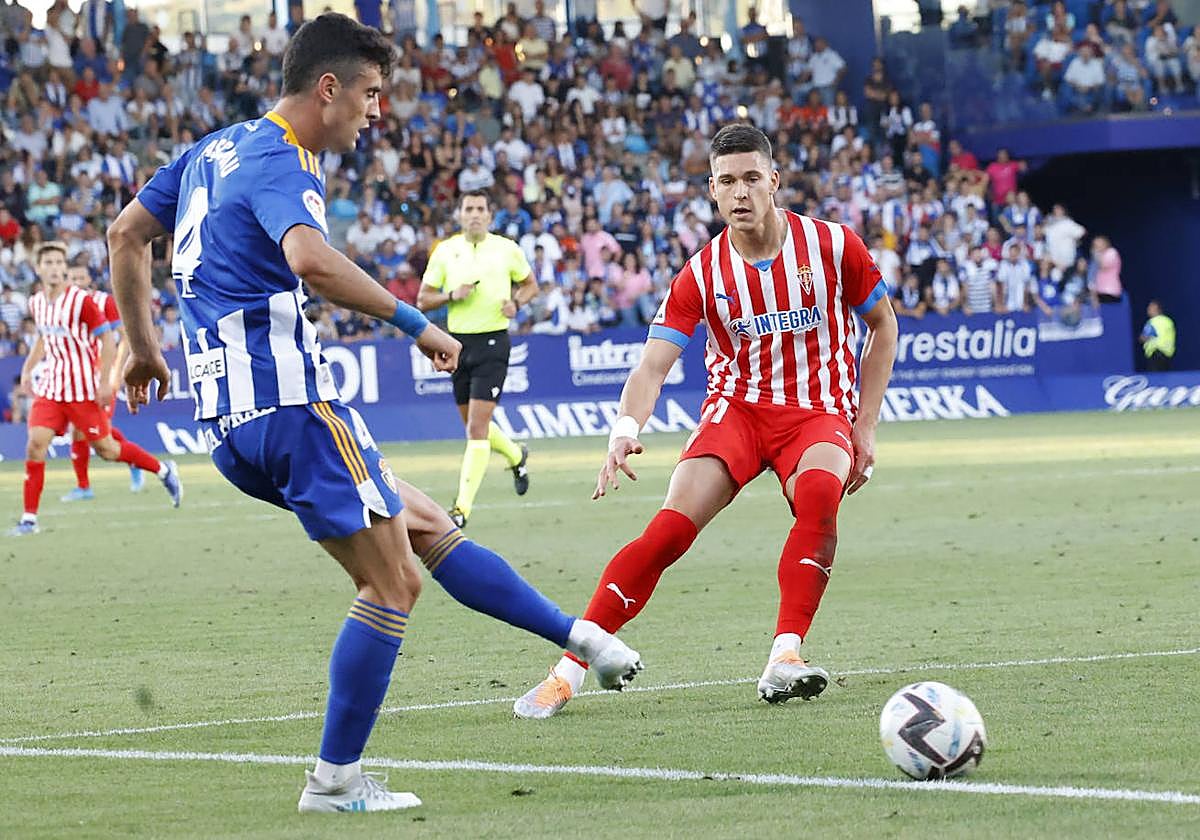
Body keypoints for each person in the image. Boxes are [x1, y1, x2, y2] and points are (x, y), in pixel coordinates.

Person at [106, 14, 642, 813]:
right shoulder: (283, 157)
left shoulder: (210, 150)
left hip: (228, 422)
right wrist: (419, 323)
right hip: (291, 403)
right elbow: (311, 260)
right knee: (391, 586)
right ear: (329, 88)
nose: (376, 111)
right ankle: (335, 781)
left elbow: (125, 233)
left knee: (422, 523)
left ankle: (583, 641)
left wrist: (144, 348)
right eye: (370, 92)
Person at [512, 124, 898, 719]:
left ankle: (785, 656)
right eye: (726, 182)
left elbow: (884, 326)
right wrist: (624, 430)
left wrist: (864, 426)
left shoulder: (832, 246)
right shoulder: (702, 274)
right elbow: (651, 367)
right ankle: (568, 670)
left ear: (774, 180)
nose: (740, 193)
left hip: (817, 412)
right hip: (737, 412)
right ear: (712, 193)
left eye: (751, 178)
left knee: (820, 492)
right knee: (668, 531)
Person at [10, 243, 181, 536]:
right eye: (48, 262)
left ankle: (163, 470)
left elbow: (109, 340)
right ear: (38, 268)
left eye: (58, 261)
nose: (54, 267)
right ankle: (29, 519)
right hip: (51, 388)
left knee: (108, 449)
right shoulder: (37, 302)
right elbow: (42, 338)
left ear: (64, 266)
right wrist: (28, 368)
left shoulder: (81, 302)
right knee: (35, 444)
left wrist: (105, 381)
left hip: (83, 390)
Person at [416, 191, 537, 528]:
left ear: (489, 215)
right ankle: (516, 454)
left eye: (480, 209)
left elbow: (531, 286)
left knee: (476, 430)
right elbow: (423, 299)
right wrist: (451, 295)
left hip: (494, 342)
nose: (474, 214)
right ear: (459, 214)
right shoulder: (445, 251)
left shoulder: (506, 249)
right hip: (456, 344)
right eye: (468, 208)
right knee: (473, 427)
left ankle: (461, 510)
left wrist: (517, 303)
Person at [59, 264, 145, 501]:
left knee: (98, 430)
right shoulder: (63, 304)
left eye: (81, 277)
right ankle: (84, 487)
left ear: (90, 279)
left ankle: (136, 463)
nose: (77, 281)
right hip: (78, 378)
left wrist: (116, 370)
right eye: (72, 277)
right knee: (82, 428)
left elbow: (123, 338)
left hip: (102, 376)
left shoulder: (103, 302)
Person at [1140, 300, 1175, 372]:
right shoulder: (1168, 321)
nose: (1148, 310)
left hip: (1155, 354)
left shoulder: (1153, 321)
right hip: (1167, 355)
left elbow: (1144, 337)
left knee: (1156, 379)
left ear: (1156, 308)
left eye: (1150, 308)